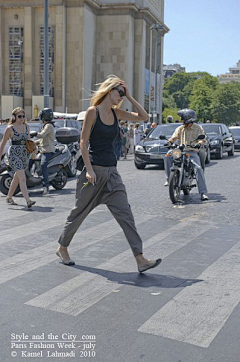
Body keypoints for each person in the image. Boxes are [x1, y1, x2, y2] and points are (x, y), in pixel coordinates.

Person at [56, 74, 161, 272]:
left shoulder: (117, 114)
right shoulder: (92, 112)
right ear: (109, 91)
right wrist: (88, 170)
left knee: (126, 215)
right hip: (93, 174)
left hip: (112, 175)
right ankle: (62, 247)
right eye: (119, 92)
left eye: (122, 93)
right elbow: (83, 142)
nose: (120, 96)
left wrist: (129, 97)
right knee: (78, 213)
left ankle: (140, 259)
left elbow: (145, 117)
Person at [164, 108, 209, 201]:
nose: (181, 120)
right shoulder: (180, 128)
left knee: (198, 168)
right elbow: (174, 137)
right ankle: (169, 180)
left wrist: (199, 143)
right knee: (167, 156)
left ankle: (203, 193)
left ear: (189, 118)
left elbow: (203, 138)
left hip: (191, 151)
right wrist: (169, 142)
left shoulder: (198, 128)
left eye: (182, 118)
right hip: (180, 151)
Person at [0, 107, 36, 208]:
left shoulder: (26, 127)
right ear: (14, 117)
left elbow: (28, 140)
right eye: (19, 116)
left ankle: (9, 197)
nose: (22, 118)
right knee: (22, 178)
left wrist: (33, 149)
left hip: (24, 154)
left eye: (23, 116)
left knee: (17, 177)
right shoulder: (10, 128)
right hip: (14, 155)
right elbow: (2, 144)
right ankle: (28, 201)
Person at [35, 108, 55, 195]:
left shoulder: (48, 126)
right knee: (32, 160)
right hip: (43, 149)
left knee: (43, 165)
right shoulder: (46, 125)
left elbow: (42, 135)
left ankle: (46, 186)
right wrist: (33, 142)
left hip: (47, 151)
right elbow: (43, 139)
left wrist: (34, 134)